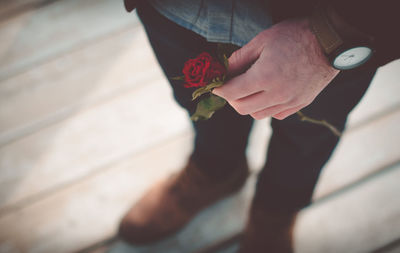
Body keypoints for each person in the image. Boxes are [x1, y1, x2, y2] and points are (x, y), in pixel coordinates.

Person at [118, 0, 400, 252]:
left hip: (319, 18)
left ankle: (275, 211)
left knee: (310, 133)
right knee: (200, 107)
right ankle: (215, 172)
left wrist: (333, 35)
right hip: (175, 9)